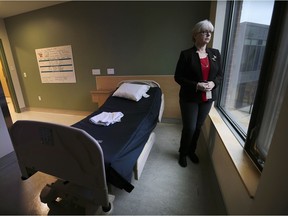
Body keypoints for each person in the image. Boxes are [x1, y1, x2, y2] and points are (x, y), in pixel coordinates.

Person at [174, 19, 223, 167]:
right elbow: (178, 77)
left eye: (210, 32)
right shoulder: (186, 55)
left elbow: (220, 75)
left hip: (207, 98)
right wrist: (197, 85)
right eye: (204, 31)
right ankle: (183, 153)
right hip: (190, 97)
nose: (208, 34)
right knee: (189, 127)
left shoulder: (215, 54)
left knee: (198, 127)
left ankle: (191, 151)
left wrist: (213, 83)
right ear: (195, 35)